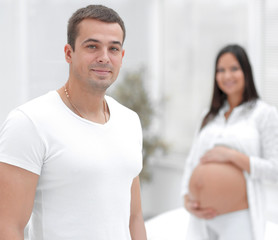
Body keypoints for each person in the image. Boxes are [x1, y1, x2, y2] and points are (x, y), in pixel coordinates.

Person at [0, 5, 147, 240]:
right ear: (69, 53)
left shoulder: (129, 121)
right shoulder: (30, 122)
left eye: (113, 48)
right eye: (92, 46)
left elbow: (134, 217)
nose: (104, 57)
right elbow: (7, 226)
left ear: (122, 56)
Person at [181, 44, 278, 240]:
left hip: (239, 219)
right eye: (221, 70)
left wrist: (232, 156)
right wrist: (186, 199)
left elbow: (274, 169)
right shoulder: (208, 116)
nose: (227, 76)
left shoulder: (264, 114)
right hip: (200, 218)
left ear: (246, 72)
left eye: (234, 68)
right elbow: (191, 162)